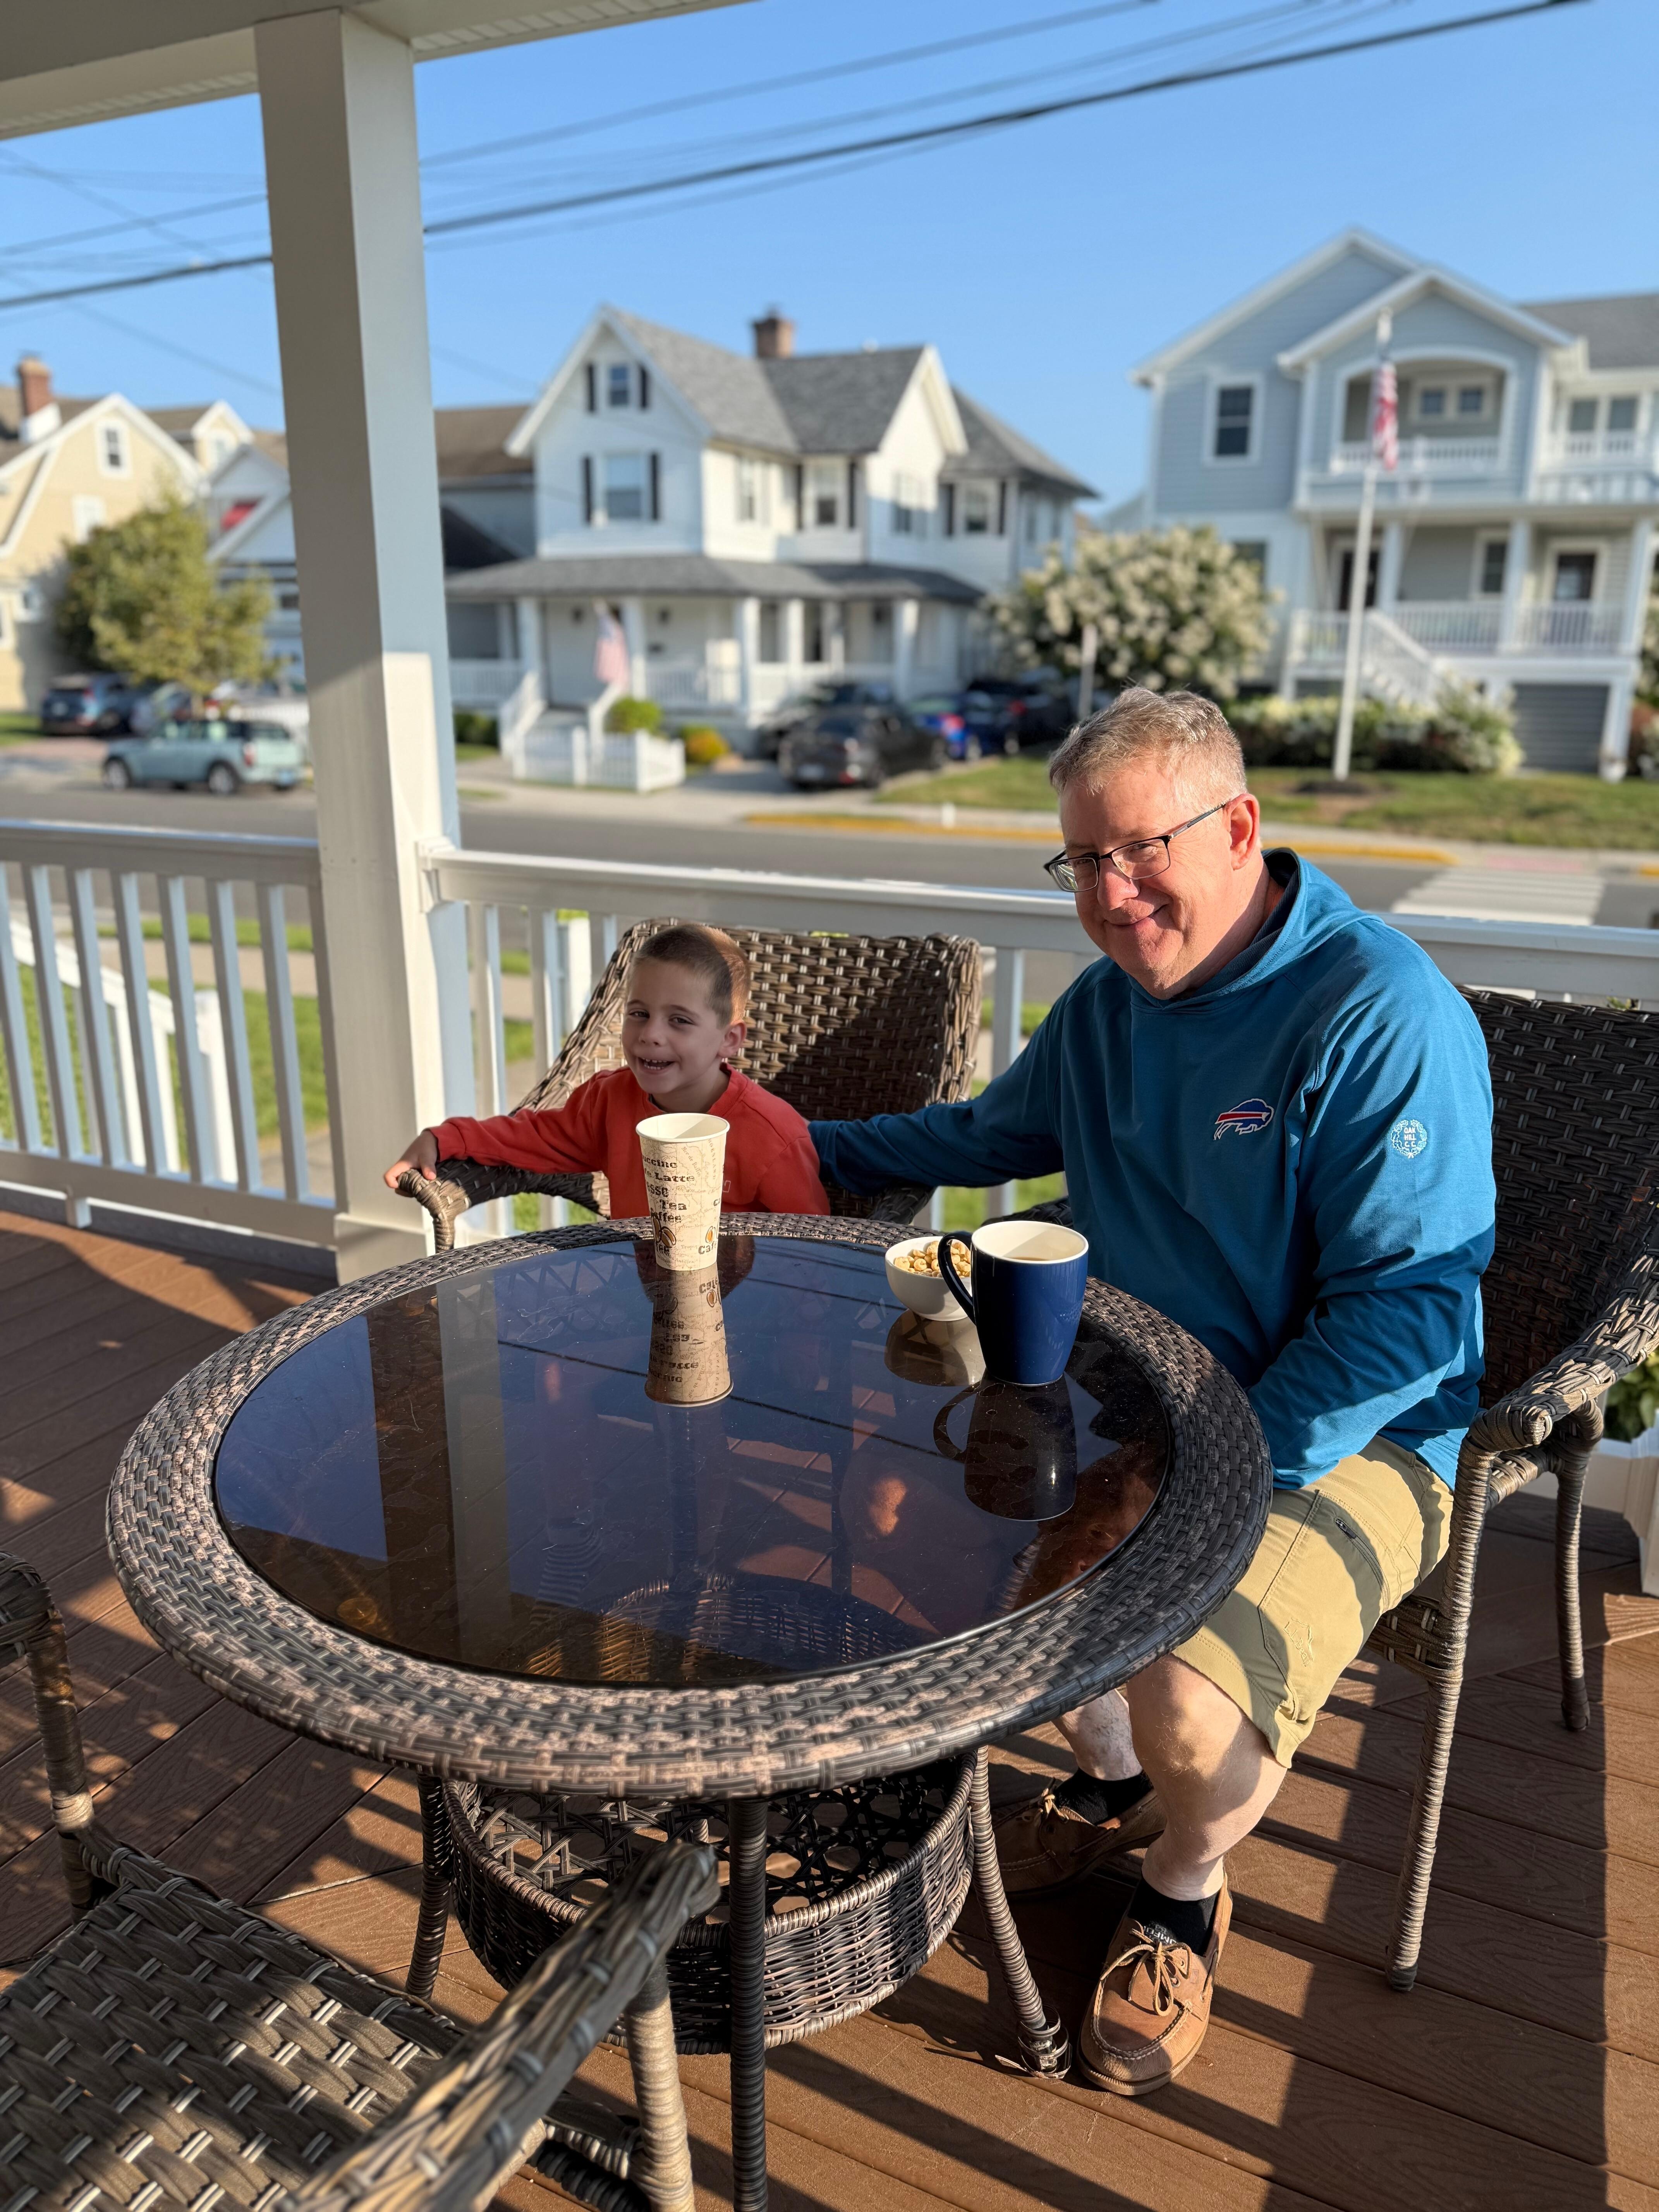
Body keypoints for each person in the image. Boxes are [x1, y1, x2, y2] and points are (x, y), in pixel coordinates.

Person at [810, 687, 1494, 2097]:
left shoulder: (1377, 1010)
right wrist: (795, 1138)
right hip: (1138, 1390)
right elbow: (982, 1135)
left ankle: (1184, 1880)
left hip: (1358, 1429)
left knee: (1183, 1688)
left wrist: (1205, 1476)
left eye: (1141, 851)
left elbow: (1409, 1313)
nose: (1111, 896)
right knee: (904, 1521)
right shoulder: (1107, 1010)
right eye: (1082, 861)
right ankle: (1117, 1784)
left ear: (1238, 827)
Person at [385, 923, 829, 1217]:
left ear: (730, 1039)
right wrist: (445, 1138)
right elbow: (533, 1136)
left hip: (750, 1314)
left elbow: (815, 1256)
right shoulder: (610, 1101)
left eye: (679, 1020)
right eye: (639, 1013)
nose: (651, 1034)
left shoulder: (774, 1138)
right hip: (636, 1298)